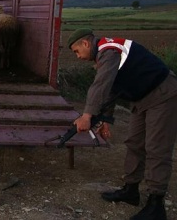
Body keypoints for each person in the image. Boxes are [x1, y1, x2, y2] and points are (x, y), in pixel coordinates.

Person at [68, 28, 177, 220]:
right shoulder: (104, 56)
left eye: (77, 51)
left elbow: (101, 84)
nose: (77, 57)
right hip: (141, 99)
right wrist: (104, 120)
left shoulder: (109, 51)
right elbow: (111, 90)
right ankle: (131, 190)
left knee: (156, 148)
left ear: (86, 44)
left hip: (162, 94)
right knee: (134, 142)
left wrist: (86, 116)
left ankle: (156, 204)